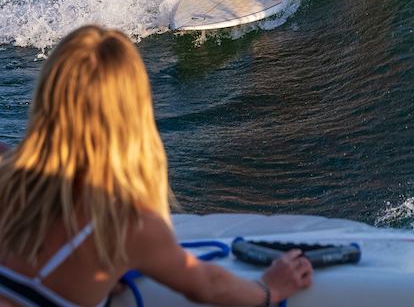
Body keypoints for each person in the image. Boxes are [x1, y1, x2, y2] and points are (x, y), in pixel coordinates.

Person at [0, 25, 312, 307]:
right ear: (132, 109)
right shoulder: (125, 226)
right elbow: (207, 285)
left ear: (48, 95)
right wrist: (269, 290)